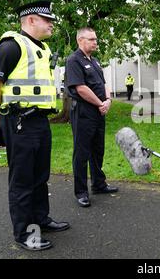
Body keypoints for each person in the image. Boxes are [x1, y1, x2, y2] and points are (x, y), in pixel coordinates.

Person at [0, 0, 70, 251]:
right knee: (22, 180)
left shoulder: (42, 49)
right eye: (47, 19)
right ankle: (24, 233)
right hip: (19, 121)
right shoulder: (11, 47)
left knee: (40, 176)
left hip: (40, 121)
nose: (52, 23)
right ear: (31, 20)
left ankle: (40, 220)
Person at [65, 27, 118, 208]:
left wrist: (108, 100)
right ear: (80, 40)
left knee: (98, 149)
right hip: (83, 112)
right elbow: (80, 88)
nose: (96, 42)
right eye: (92, 39)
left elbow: (103, 83)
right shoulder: (73, 61)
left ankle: (98, 184)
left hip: (98, 111)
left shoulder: (94, 61)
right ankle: (81, 192)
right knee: (82, 152)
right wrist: (100, 103)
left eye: (96, 39)